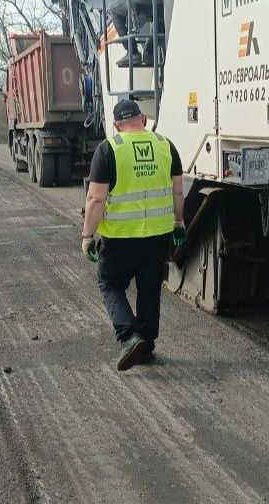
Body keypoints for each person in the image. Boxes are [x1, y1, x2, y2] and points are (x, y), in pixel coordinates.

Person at [81, 100, 186, 370]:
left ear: (116, 125)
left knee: (110, 284)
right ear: (144, 119)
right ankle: (147, 346)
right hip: (157, 236)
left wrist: (87, 236)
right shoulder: (166, 146)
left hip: (119, 237)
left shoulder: (109, 150)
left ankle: (129, 336)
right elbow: (177, 191)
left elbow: (95, 199)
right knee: (149, 288)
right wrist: (179, 223)